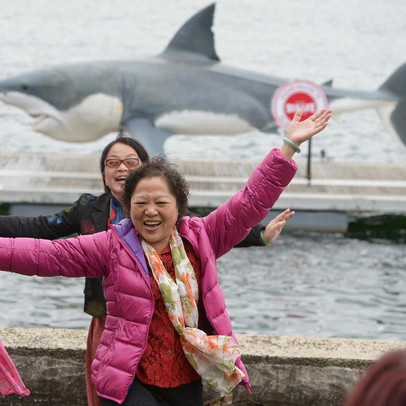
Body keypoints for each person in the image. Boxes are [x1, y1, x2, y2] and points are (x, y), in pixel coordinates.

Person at [0, 108, 331, 405]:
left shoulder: (202, 235)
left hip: (188, 376)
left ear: (178, 206)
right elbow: (44, 254)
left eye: (161, 202)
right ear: (129, 207)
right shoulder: (113, 245)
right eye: (141, 203)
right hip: (131, 379)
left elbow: (250, 201)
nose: (151, 211)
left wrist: (288, 145)